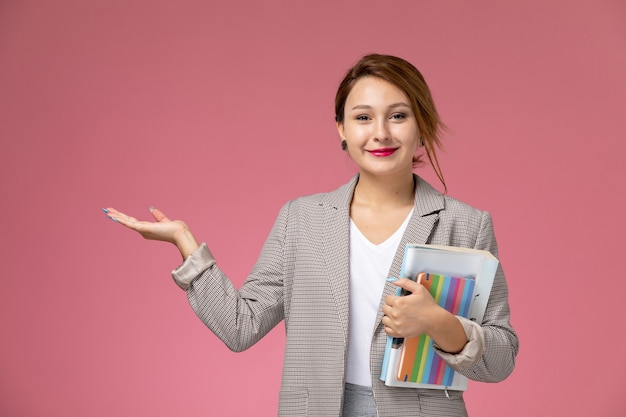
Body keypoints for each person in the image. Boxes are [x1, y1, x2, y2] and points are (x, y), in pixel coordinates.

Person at [104, 53, 518, 417]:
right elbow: (239, 326)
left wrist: (439, 323)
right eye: (362, 117)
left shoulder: (466, 224)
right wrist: (186, 245)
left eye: (398, 115)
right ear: (341, 129)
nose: (380, 133)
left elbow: (500, 359)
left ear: (421, 125)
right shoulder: (301, 220)